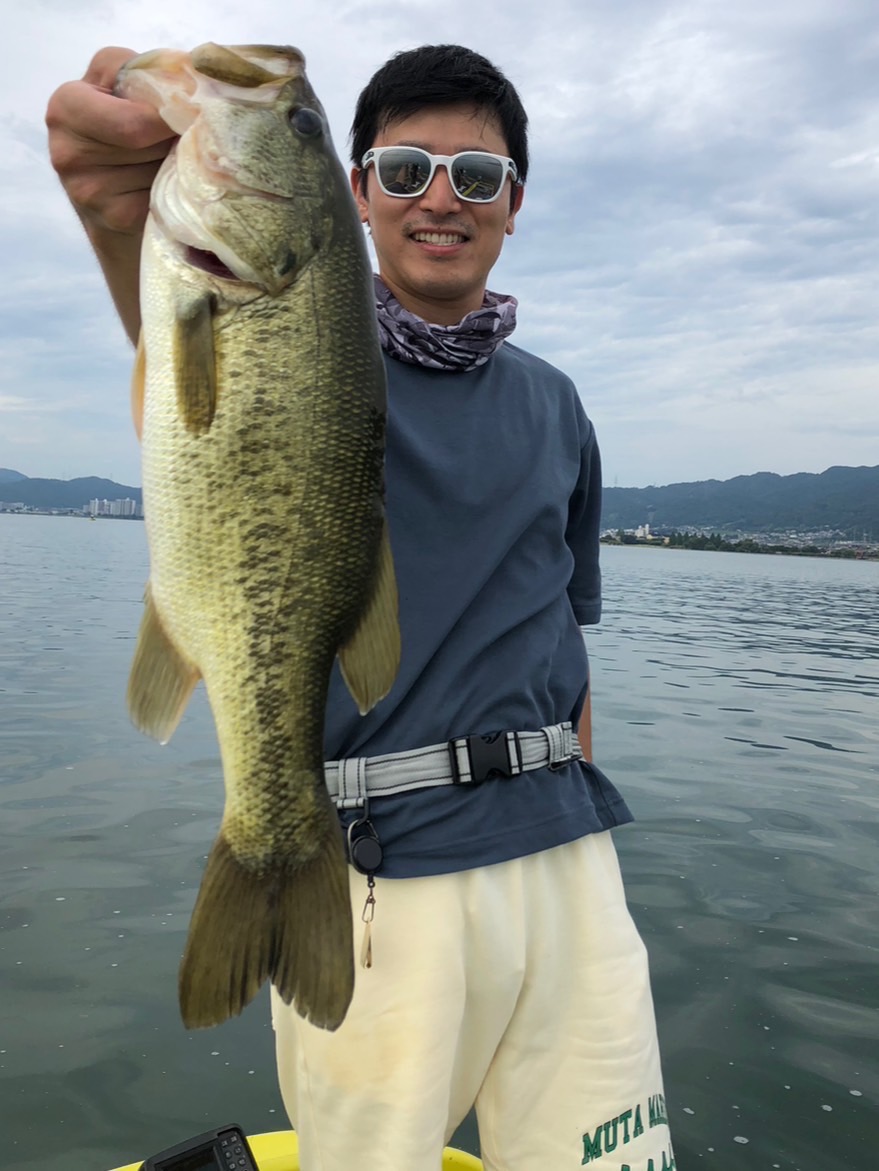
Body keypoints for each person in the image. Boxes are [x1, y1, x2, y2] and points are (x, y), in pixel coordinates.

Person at [47, 43, 674, 1171]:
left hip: (570, 861)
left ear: (514, 204)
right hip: (382, 874)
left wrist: (574, 798)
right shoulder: (313, 344)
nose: (441, 197)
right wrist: (114, 221)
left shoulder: (560, 405)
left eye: (476, 176)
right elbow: (192, 362)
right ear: (356, 192)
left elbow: (561, 633)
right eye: (404, 168)